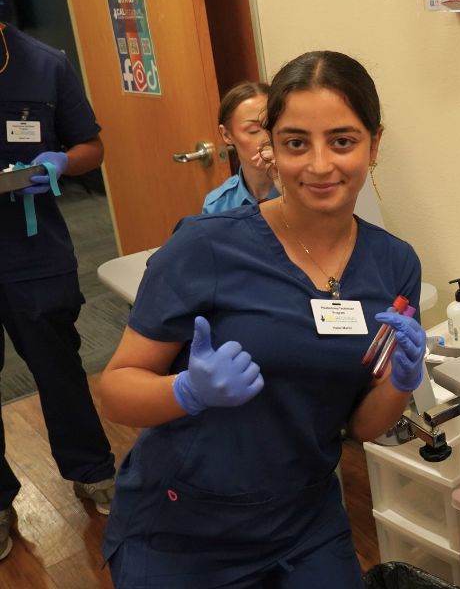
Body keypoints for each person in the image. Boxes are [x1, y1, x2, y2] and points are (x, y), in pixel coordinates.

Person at [98, 50, 427, 588]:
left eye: (342, 141)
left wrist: (401, 381)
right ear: (270, 146)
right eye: (296, 142)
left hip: (304, 522)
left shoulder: (395, 264)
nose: (319, 165)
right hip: (184, 527)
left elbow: (362, 427)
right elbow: (115, 392)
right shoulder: (205, 247)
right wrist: (187, 391)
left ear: (375, 143)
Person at [0, 0, 115, 562]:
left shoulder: (44, 66)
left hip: (32, 250)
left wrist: (62, 162)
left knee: (60, 371)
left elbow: (93, 146)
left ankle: (93, 471)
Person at [202, 81, 280, 213]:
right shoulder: (218, 205)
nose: (268, 138)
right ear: (226, 135)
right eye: (253, 130)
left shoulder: (303, 190)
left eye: (272, 125)